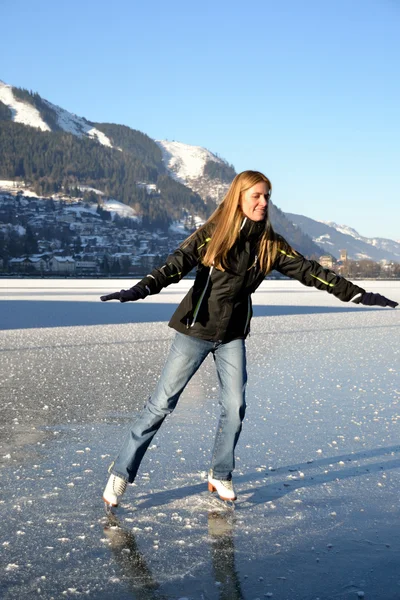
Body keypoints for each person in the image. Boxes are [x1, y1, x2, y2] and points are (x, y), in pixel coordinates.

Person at [100, 170, 397, 507]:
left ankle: (220, 472)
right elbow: (175, 264)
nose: (263, 202)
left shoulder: (270, 245)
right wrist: (141, 289)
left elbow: (314, 272)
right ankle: (121, 472)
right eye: (256, 195)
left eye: (267, 196)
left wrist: (360, 295)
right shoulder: (213, 234)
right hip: (195, 330)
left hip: (231, 336)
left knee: (235, 405)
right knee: (161, 404)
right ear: (238, 197)